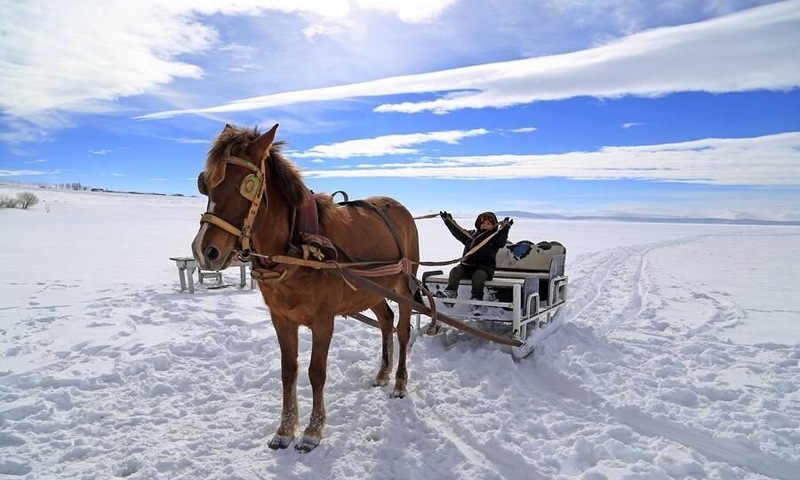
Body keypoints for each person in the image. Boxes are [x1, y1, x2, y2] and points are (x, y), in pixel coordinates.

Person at [438, 211, 513, 307]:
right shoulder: (471, 235)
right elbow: (457, 231)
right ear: (479, 224)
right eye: (483, 223)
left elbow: (501, 241)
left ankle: (477, 299)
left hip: (484, 268)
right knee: (455, 271)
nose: (485, 225)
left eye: (489, 224)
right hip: (467, 266)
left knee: (478, 276)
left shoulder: (494, 237)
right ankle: (450, 294)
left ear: (493, 226)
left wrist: (505, 228)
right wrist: (448, 221)